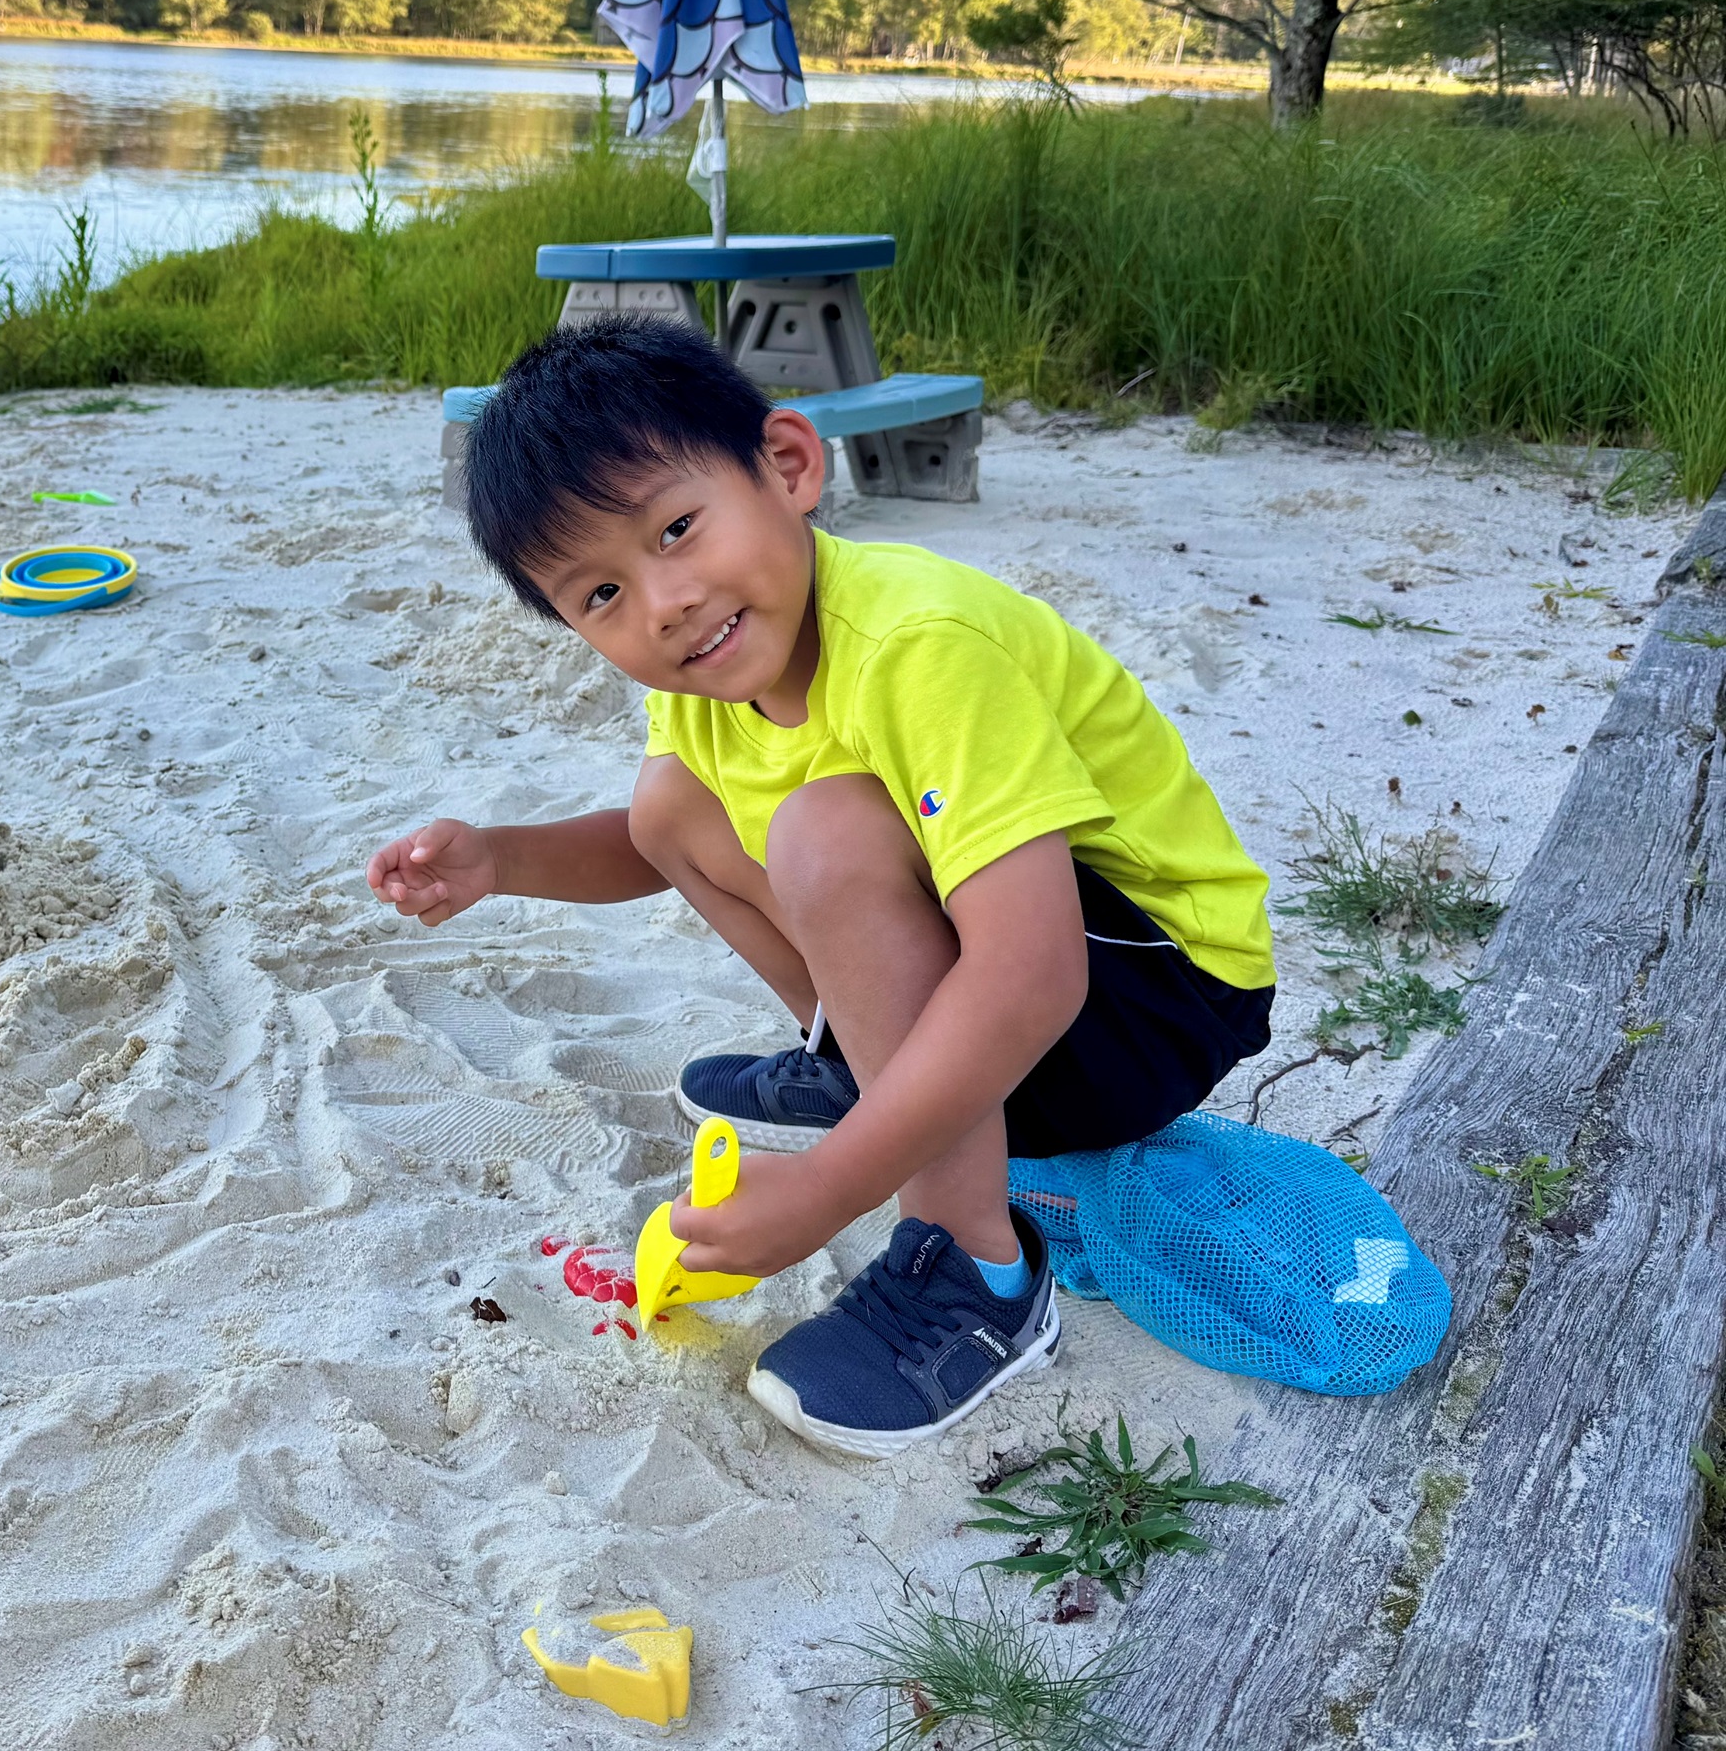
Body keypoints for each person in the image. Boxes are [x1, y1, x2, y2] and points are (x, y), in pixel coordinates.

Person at [367, 317, 1274, 1457]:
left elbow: (1029, 970)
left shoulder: (917, 641)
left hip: (1157, 1000)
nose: (663, 603)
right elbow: (654, 845)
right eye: (598, 595)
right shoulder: (704, 675)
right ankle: (865, 1063)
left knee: (828, 830)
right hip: (1028, 1004)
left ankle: (974, 1270)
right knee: (672, 802)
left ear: (788, 466)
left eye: (676, 530)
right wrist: (501, 859)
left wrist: (827, 1193)